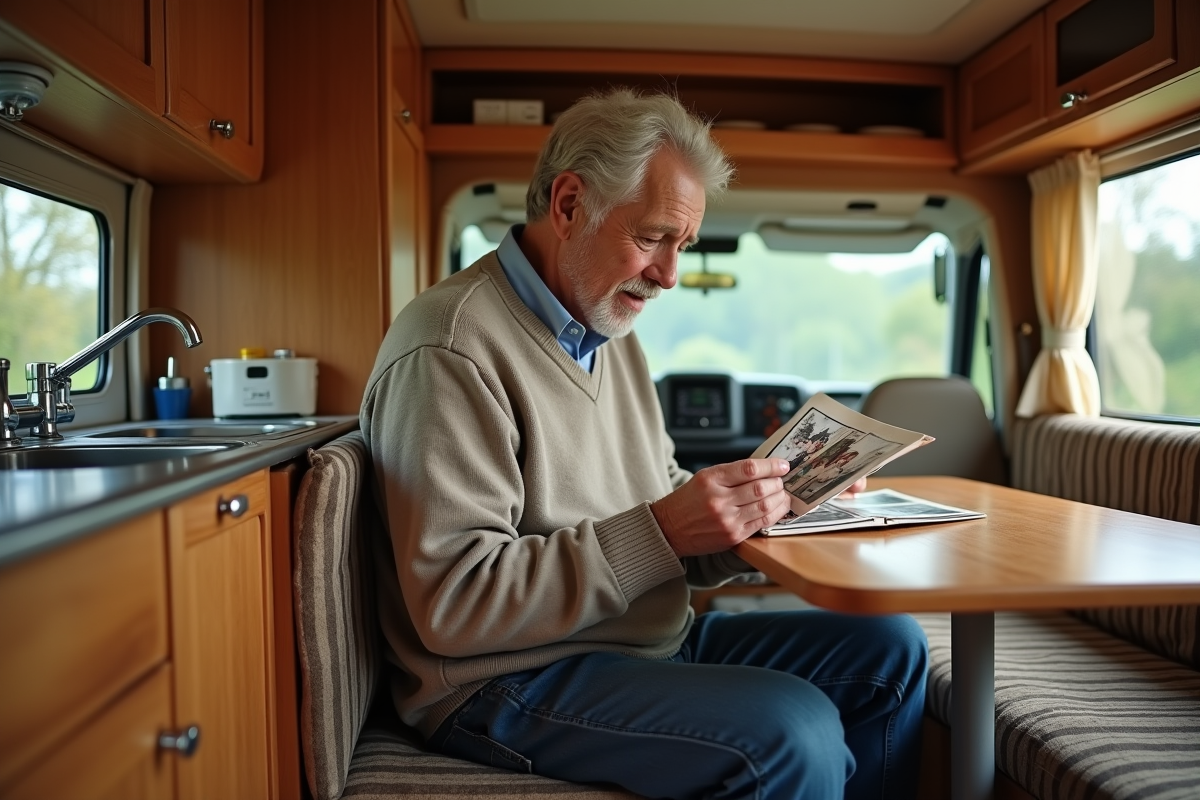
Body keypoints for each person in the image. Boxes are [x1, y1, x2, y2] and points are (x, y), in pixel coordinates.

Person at [360, 88, 927, 800]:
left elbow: (665, 520)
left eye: (680, 245)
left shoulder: (608, 331)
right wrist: (663, 528)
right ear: (569, 206)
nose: (669, 275)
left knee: (890, 648)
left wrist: (772, 503)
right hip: (499, 679)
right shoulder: (450, 348)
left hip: (639, 639)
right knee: (795, 728)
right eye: (653, 236)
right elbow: (455, 604)